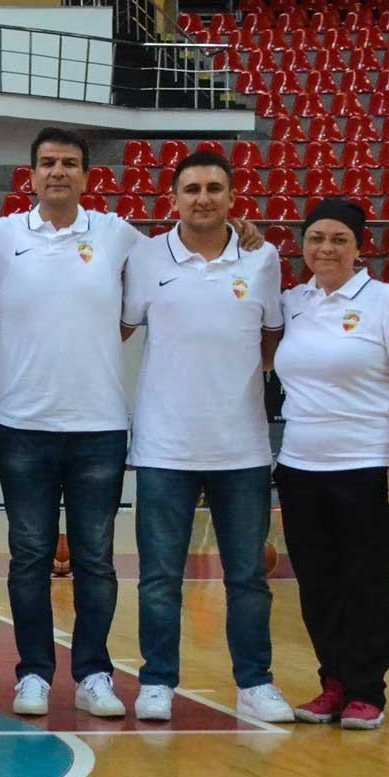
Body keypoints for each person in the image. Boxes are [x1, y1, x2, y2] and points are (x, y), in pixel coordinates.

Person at [119, 150, 294, 724]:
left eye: (214, 188)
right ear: (172, 199)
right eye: (191, 188)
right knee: (159, 579)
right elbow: (120, 328)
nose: (203, 198)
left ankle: (255, 683)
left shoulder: (263, 258)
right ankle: (157, 681)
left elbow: (271, 342)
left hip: (242, 449)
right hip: (164, 447)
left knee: (248, 578)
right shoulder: (145, 258)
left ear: (232, 197)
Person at [0, 126, 140, 720]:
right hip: (23, 424)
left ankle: (95, 674)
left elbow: (143, 301)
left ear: (88, 176)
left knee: (96, 557)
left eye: (70, 163)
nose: (58, 172)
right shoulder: (0, 236)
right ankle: (33, 675)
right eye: (48, 162)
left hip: (99, 425)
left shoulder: (118, 235)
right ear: (31, 173)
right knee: (28, 556)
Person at [272, 199, 389, 732]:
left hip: (367, 466)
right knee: (317, 583)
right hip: (300, 468)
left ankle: (366, 690)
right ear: (302, 245)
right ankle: (333, 683)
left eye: (339, 239)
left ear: (359, 247)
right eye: (316, 238)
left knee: (366, 582)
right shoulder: (293, 303)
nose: (326, 248)